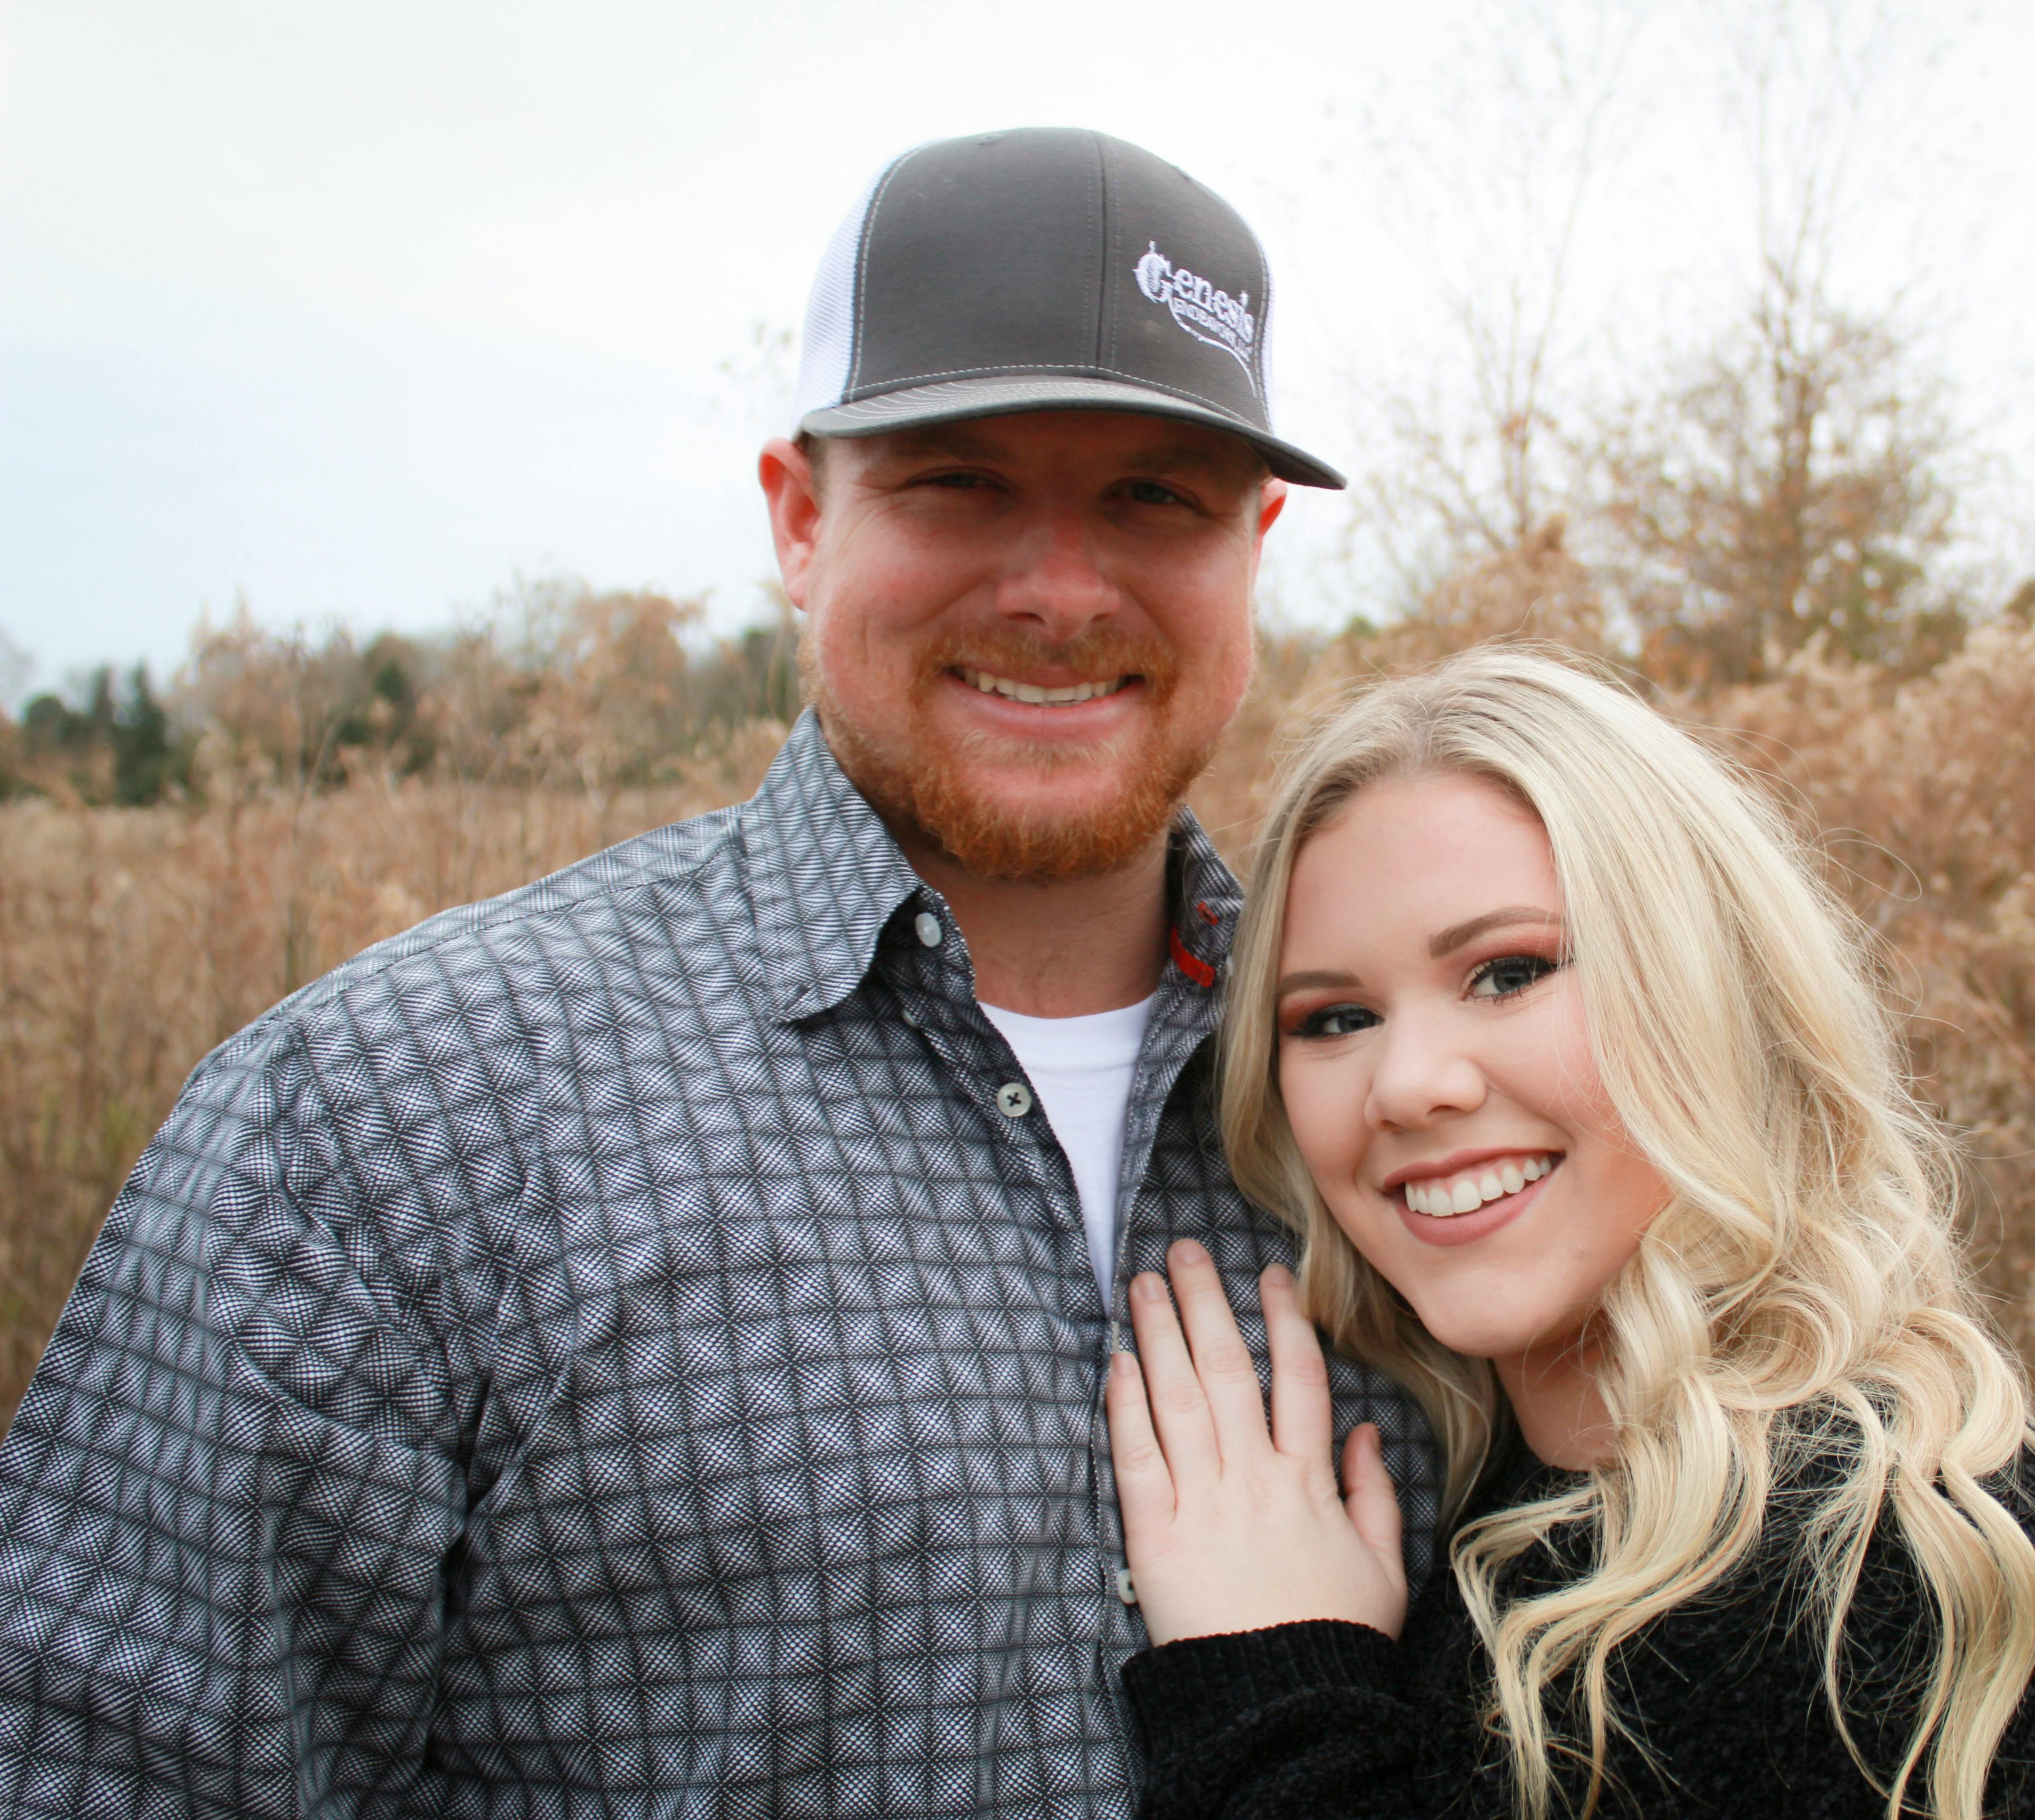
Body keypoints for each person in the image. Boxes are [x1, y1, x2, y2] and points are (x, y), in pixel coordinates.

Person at [0, 128, 1436, 1818]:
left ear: (1253, 542)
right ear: (799, 520)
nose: (1059, 588)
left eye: (1153, 497)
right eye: (958, 482)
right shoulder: (390, 1118)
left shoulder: (1434, 1119)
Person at [1103, 648, 2035, 1819]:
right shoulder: (1511, 1506)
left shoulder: (1865, 1575)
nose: (1409, 1084)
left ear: (1708, 993)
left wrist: (1276, 1686)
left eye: (1509, 971)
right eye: (1336, 1018)